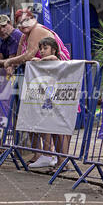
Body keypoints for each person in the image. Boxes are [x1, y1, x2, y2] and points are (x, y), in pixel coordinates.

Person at [29, 37, 71, 169]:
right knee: (53, 131)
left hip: (63, 102)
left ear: (54, 49)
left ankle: (63, 161)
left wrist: (39, 61)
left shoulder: (56, 60)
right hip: (51, 101)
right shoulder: (44, 64)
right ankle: (58, 160)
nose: (42, 51)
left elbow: (52, 59)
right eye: (40, 49)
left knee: (61, 132)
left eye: (45, 48)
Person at [0, 9, 70, 75]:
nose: (23, 24)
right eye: (20, 22)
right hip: (42, 75)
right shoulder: (24, 36)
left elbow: (28, 56)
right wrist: (11, 67)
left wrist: (9, 61)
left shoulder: (37, 29)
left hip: (59, 70)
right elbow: (18, 58)